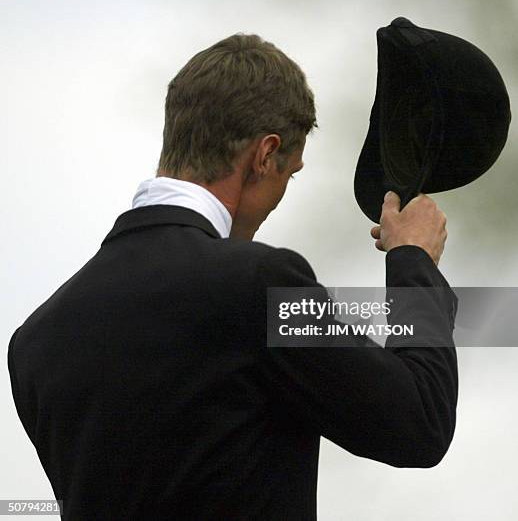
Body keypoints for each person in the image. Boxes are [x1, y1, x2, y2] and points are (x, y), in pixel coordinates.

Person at [7, 34, 457, 520]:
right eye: (291, 173)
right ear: (265, 155)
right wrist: (414, 262)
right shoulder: (254, 285)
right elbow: (419, 421)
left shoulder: (35, 340)